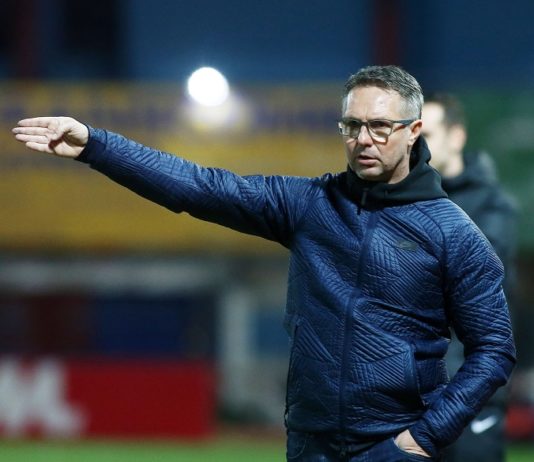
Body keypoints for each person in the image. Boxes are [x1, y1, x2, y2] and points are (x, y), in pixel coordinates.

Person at [12, 65, 515, 461]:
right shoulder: (310, 205)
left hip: (393, 445)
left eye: (380, 127)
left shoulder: (454, 232)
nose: (364, 139)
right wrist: (97, 146)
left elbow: (493, 350)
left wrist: (423, 438)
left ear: (414, 131)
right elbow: (199, 186)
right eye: (352, 126)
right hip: (309, 444)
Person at [422, 93, 517, 462]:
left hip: (471, 390)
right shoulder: (403, 199)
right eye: (411, 136)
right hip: (410, 392)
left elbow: (466, 279)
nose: (416, 147)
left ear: (456, 136)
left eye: (426, 135)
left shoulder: (493, 206)